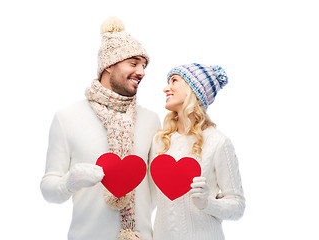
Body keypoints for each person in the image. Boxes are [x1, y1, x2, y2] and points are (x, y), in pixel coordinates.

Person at [40, 17, 160, 240]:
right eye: (133, 63)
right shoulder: (68, 117)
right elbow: (48, 189)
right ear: (108, 65)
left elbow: (159, 191)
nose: (142, 72)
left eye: (144, 65)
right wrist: (70, 182)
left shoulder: (151, 120)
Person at [151, 63, 245, 240]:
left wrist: (207, 203)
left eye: (174, 81)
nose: (166, 88)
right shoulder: (159, 141)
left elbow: (238, 207)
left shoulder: (218, 142)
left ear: (192, 89)